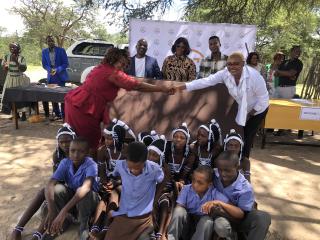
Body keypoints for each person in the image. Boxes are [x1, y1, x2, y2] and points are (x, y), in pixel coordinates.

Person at [174, 52, 269, 173]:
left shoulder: (255, 77)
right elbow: (205, 81)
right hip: (244, 108)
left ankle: (242, 167)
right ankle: (232, 161)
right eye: (229, 64)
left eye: (236, 64)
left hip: (258, 110)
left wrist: (250, 114)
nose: (232, 67)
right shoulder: (225, 73)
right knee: (240, 134)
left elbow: (264, 99)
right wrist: (182, 87)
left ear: (243, 64)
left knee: (247, 137)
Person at [64, 47, 174, 152]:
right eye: (121, 63)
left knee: (80, 141)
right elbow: (137, 85)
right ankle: (91, 168)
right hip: (83, 108)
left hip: (77, 103)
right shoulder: (112, 73)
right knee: (89, 144)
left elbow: (129, 81)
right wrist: (162, 88)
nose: (122, 67)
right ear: (113, 59)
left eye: (125, 65)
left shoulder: (102, 67)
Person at [10, 124, 76, 240]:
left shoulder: (80, 154)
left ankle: (37, 236)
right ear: (58, 142)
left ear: (74, 140)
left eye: (68, 141)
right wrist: (51, 206)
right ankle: (18, 229)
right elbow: (54, 181)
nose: (65, 145)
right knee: (44, 192)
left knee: (54, 196)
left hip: (76, 194)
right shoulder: (57, 155)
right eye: (61, 142)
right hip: (64, 191)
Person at [28, 137, 99, 240]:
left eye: (81, 151)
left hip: (88, 203)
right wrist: (52, 210)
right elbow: (50, 184)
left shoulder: (91, 164)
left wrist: (63, 211)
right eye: (72, 151)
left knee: (86, 194)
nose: (75, 155)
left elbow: (85, 188)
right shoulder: (65, 162)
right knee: (57, 189)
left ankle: (84, 226)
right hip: (73, 200)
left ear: (87, 153)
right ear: (69, 151)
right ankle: (62, 222)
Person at [105, 142, 164, 240]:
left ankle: (150, 231)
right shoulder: (120, 166)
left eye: (138, 168)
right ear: (126, 159)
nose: (134, 171)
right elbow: (115, 176)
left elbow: (162, 180)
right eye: (130, 167)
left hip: (143, 218)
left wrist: (154, 201)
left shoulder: (154, 169)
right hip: (124, 214)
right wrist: (113, 182)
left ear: (145, 161)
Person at [208, 151, 271, 240]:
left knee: (263, 218)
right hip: (220, 218)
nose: (223, 174)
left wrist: (222, 209)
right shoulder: (214, 175)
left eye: (227, 170)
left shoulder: (245, 188)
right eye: (220, 169)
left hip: (240, 220)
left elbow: (242, 216)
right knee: (220, 225)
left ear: (237, 167)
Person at [167, 166, 229, 240]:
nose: (195, 184)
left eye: (200, 183)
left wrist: (217, 207)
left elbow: (230, 207)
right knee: (178, 210)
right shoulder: (187, 189)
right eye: (193, 180)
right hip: (187, 225)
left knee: (207, 221)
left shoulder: (215, 194)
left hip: (202, 230)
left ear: (209, 185)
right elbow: (178, 210)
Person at [147, 137, 175, 240]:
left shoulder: (165, 169)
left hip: (161, 193)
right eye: (149, 153)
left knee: (164, 203)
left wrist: (154, 202)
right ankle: (151, 230)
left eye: (154, 155)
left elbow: (162, 188)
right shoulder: (144, 166)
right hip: (148, 194)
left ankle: (161, 232)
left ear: (161, 157)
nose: (150, 157)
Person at [42, 35, 69, 120]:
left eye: (52, 41)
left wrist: (57, 69)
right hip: (51, 77)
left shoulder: (61, 50)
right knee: (53, 97)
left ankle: (64, 115)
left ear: (54, 41)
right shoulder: (44, 51)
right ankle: (57, 114)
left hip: (60, 76)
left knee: (62, 97)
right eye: (49, 41)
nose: (51, 42)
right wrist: (49, 69)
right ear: (46, 42)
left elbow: (66, 63)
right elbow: (44, 64)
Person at [1, 42, 29, 121]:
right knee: (11, 97)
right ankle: (15, 114)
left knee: (20, 96)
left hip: (19, 78)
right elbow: (5, 68)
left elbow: (23, 69)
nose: (12, 49)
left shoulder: (22, 58)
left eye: (14, 48)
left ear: (18, 49)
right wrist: (5, 67)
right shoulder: (7, 57)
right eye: (11, 48)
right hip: (10, 78)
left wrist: (16, 61)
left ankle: (23, 114)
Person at [164, 123, 195, 191]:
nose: (178, 139)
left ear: (187, 141)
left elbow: (183, 177)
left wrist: (181, 182)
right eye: (175, 136)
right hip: (167, 179)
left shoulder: (190, 154)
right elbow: (164, 169)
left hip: (182, 180)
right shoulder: (166, 149)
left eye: (182, 138)